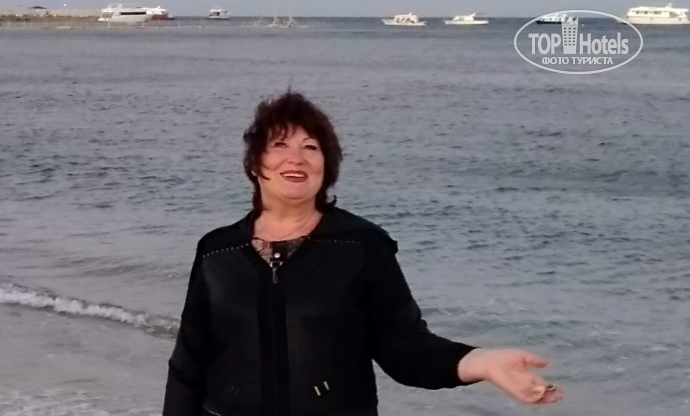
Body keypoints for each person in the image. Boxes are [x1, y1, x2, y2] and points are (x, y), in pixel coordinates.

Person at [163, 91, 563, 416]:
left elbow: (405, 348)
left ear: (326, 166)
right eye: (279, 144)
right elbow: (188, 364)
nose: (296, 157)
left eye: (311, 147)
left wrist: (480, 362)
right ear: (255, 164)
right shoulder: (218, 250)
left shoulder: (360, 245)